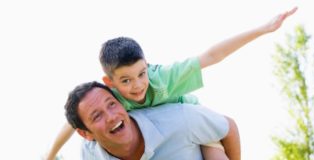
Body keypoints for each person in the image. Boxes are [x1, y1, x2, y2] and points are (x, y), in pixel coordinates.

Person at [46, 7, 297, 160]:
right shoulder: (109, 101)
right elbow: (73, 122)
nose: (137, 86)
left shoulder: (163, 78)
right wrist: (49, 156)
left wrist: (263, 29)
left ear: (147, 65)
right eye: (126, 80)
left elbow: (211, 56)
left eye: (142, 73)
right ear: (109, 82)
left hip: (195, 126)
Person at [65, 81, 235, 160]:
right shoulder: (90, 153)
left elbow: (229, 128)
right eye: (97, 116)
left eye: (111, 104)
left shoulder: (181, 119)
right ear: (85, 134)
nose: (111, 117)